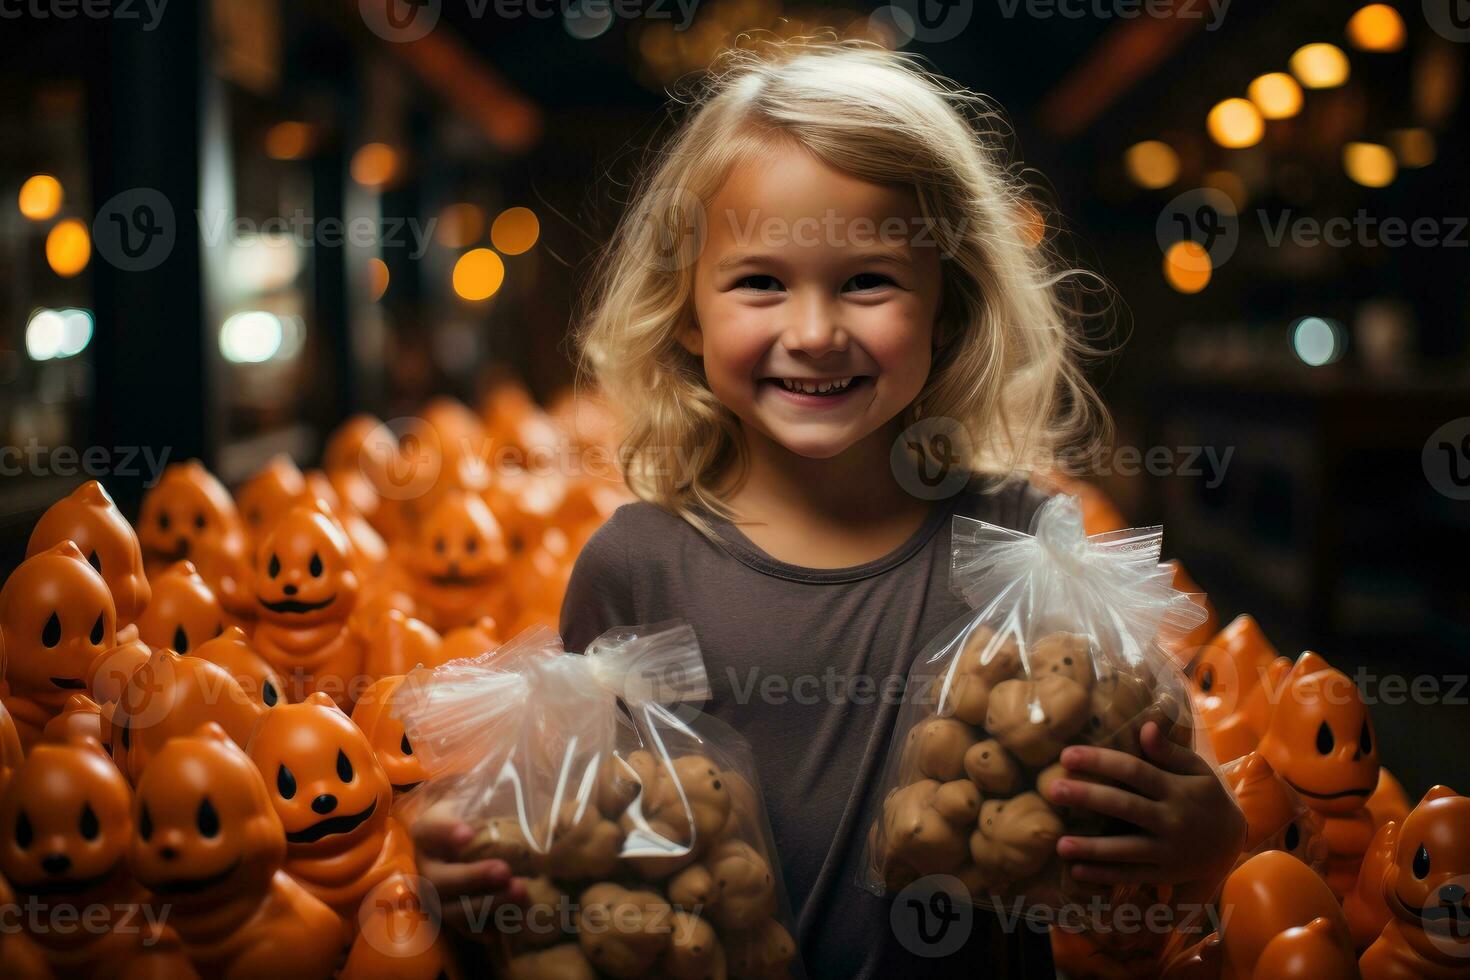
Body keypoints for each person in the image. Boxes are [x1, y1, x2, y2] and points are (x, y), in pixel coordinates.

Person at [414, 39, 1245, 977]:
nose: (813, 334)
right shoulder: (637, 566)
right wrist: (475, 875)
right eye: (761, 281)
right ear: (688, 310)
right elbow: (582, 843)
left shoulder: (1022, 545)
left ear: (949, 307)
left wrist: (1206, 845)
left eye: (868, 281)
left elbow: (1123, 895)